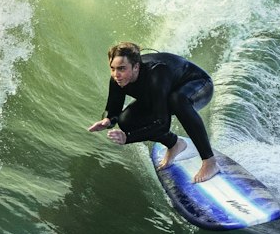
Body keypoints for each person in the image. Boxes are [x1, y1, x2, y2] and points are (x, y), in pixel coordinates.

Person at [87, 43, 218, 183]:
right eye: (112, 68)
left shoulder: (157, 72)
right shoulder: (117, 79)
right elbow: (113, 109)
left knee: (177, 99)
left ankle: (209, 162)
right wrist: (107, 121)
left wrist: (128, 138)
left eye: (121, 69)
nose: (116, 74)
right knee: (126, 121)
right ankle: (174, 144)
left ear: (136, 66)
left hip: (199, 85)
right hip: (161, 94)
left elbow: (162, 124)